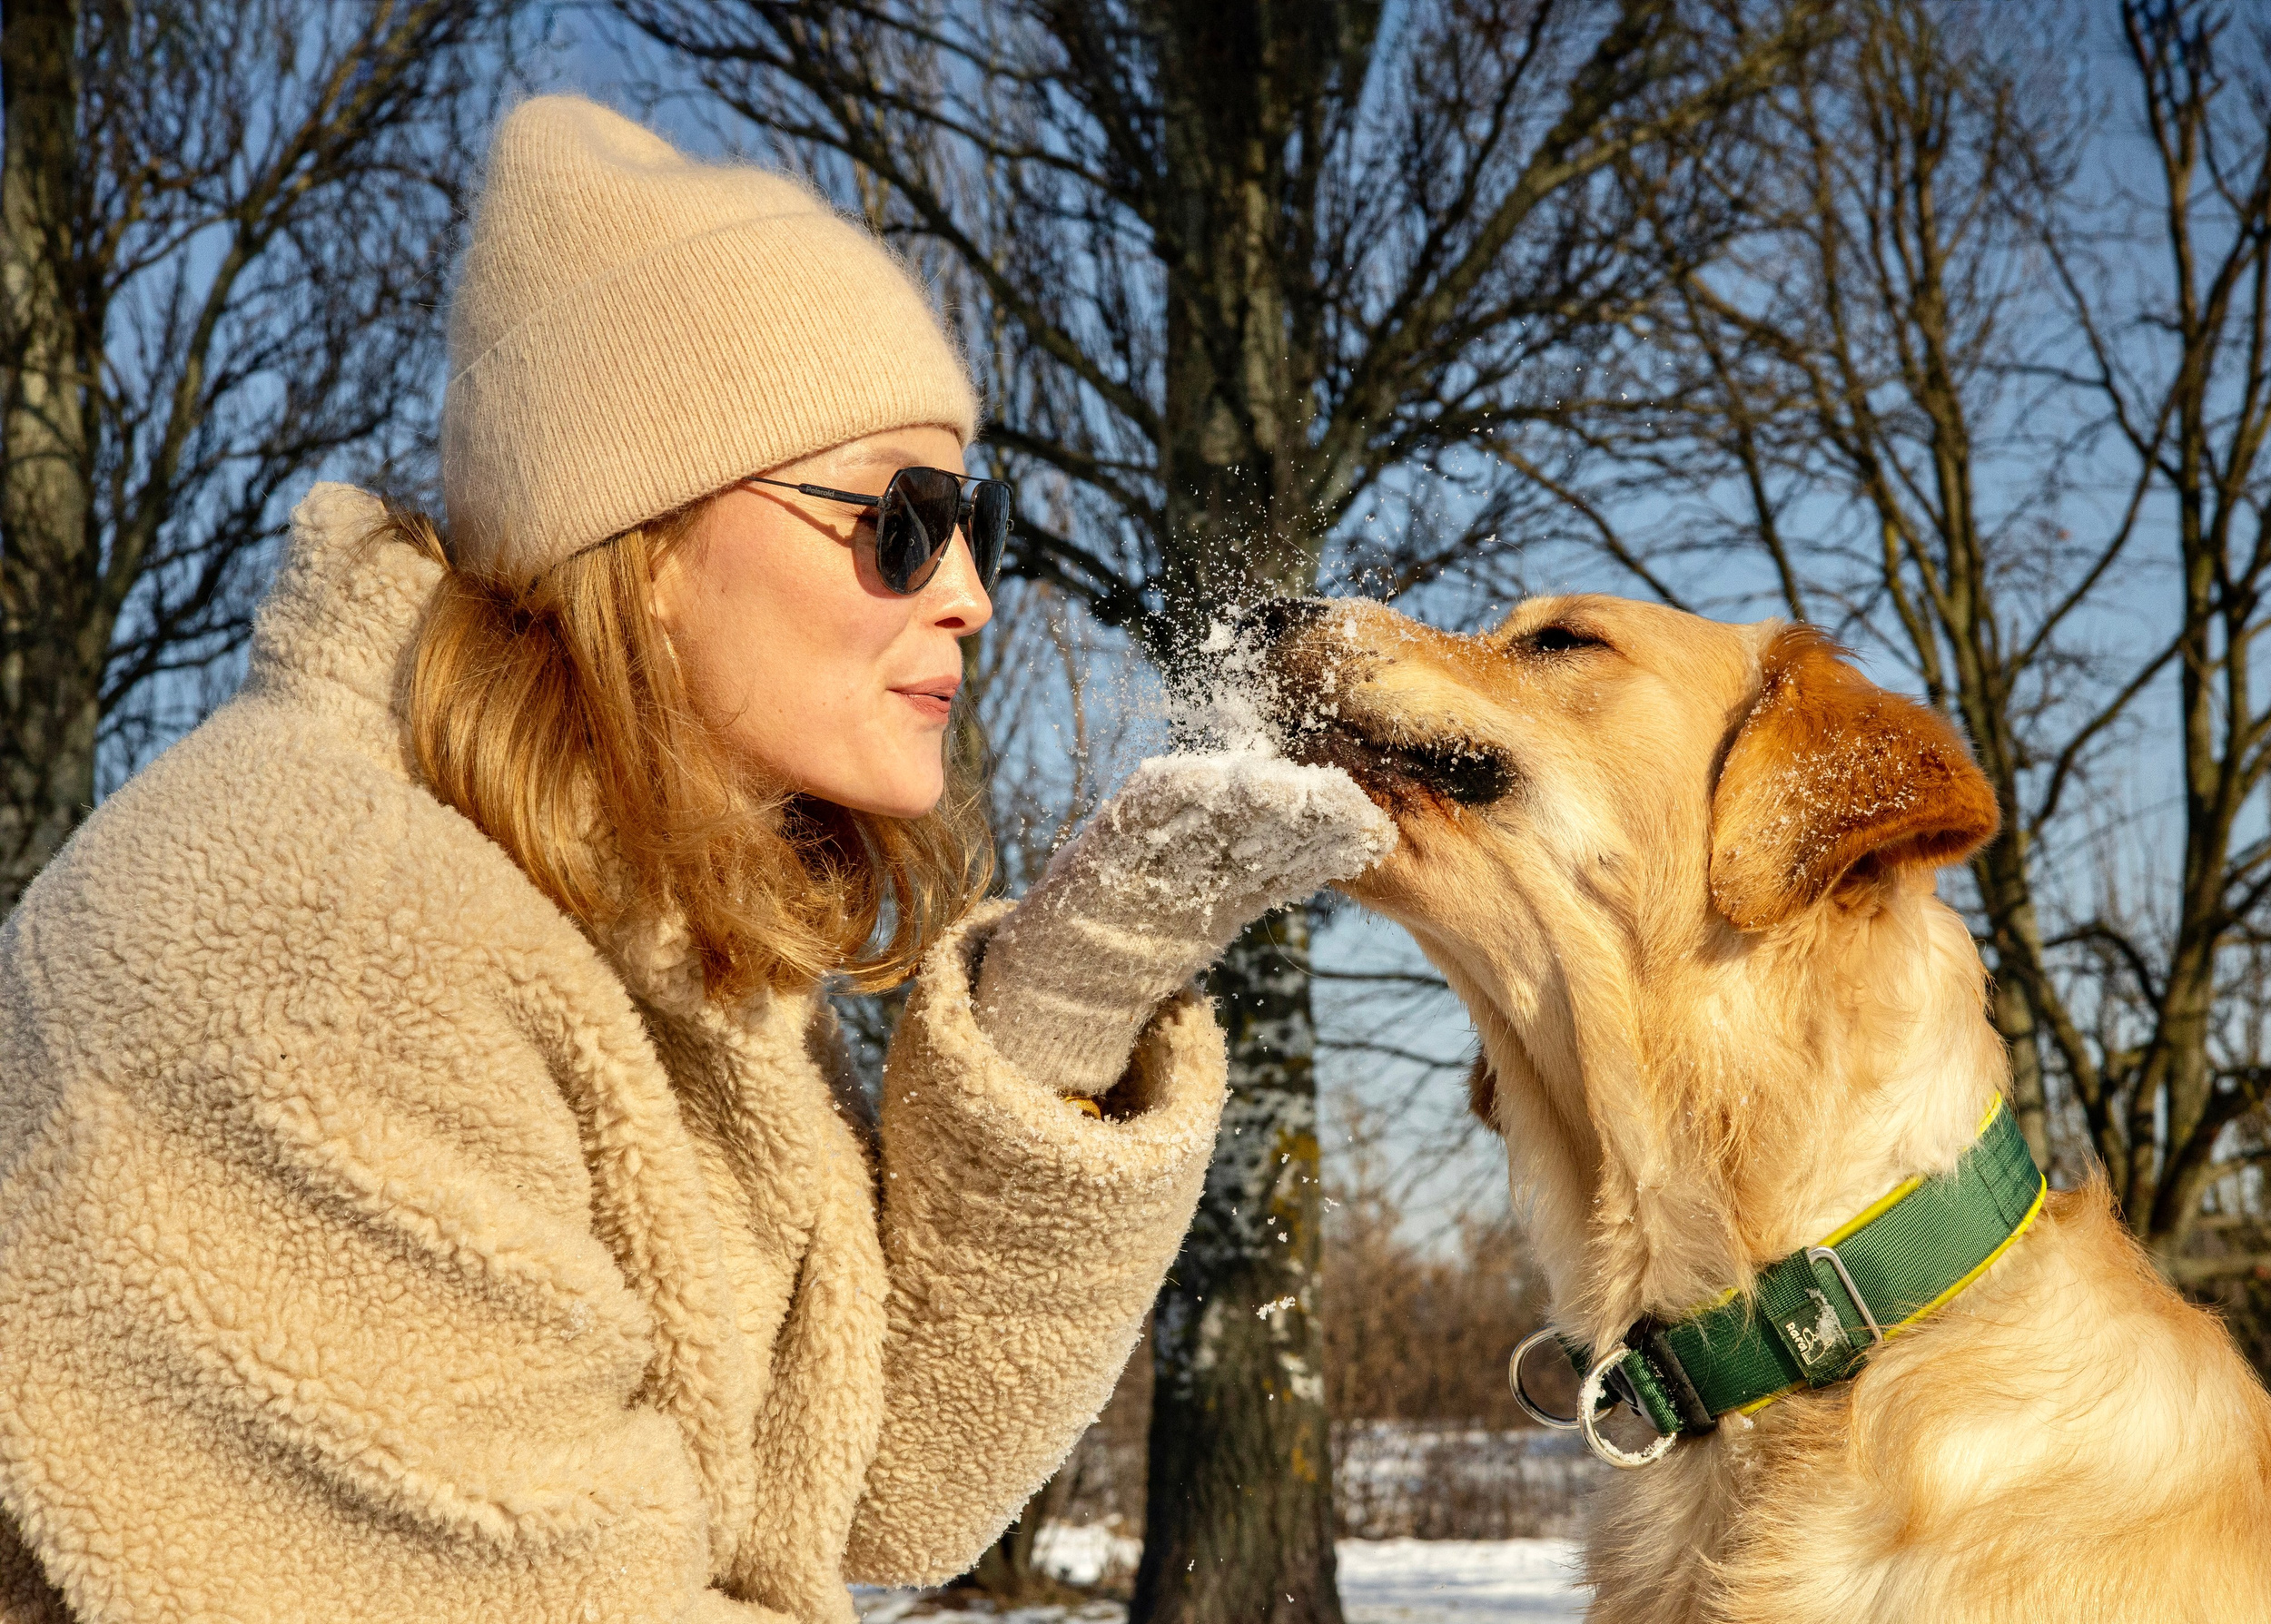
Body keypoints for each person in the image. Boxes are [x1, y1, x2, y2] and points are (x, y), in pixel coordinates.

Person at [0, 98, 1390, 1624]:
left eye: (974, 521)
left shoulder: (647, 934)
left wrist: (1065, 1017)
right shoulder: (319, 939)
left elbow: (869, 1487)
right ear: (647, 547)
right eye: (905, 522)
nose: (976, 595)